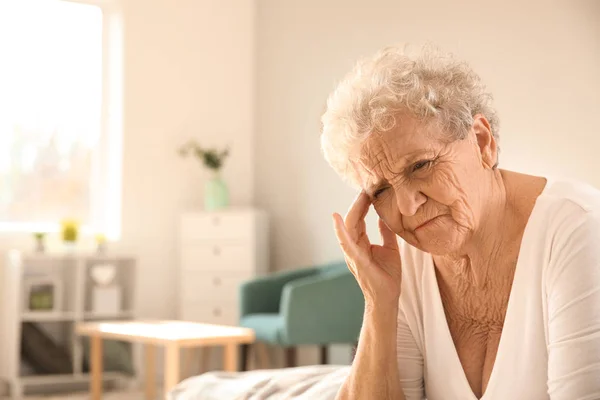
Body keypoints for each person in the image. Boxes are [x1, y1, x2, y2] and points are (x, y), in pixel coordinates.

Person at [320, 45, 600, 400]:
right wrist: (379, 302)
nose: (407, 207)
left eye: (420, 165)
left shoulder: (579, 229)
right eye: (381, 190)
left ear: (482, 142)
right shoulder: (407, 259)